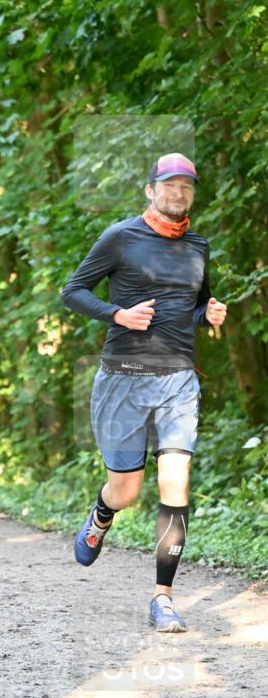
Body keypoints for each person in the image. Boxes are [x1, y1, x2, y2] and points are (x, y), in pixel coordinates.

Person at [61, 153, 227, 632]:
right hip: (122, 376)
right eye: (170, 185)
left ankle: (163, 597)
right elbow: (72, 291)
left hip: (178, 377)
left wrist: (208, 315)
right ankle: (102, 511)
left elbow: (193, 309)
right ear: (150, 190)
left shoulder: (198, 245)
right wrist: (118, 314)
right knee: (127, 490)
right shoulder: (120, 237)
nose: (178, 194)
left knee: (176, 484)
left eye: (187, 187)